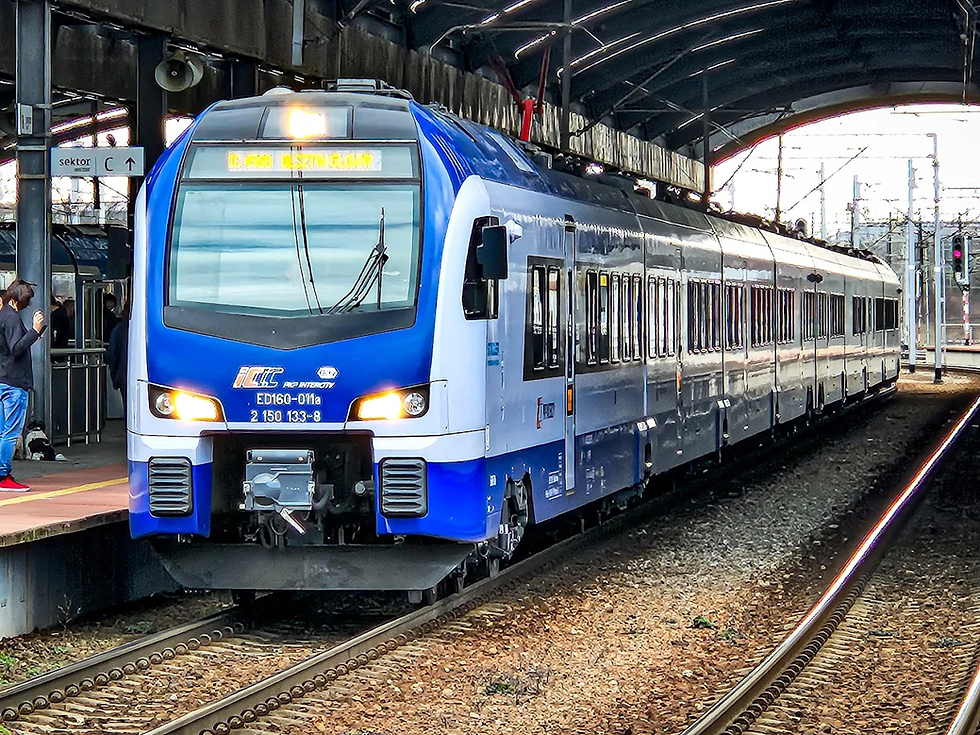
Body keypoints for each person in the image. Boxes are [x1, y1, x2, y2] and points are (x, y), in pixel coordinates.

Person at [0, 280, 46, 491]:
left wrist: (32, 334)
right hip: (14, 382)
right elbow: (16, 348)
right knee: (11, 432)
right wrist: (35, 331)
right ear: (21, 301)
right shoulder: (11, 318)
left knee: (2, 431)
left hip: (3, 379)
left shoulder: (3, 316)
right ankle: (3, 475)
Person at [107, 302, 129, 410]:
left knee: (128, 407)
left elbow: (112, 355)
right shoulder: (149, 328)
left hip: (123, 375)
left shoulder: (118, 329)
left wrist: (115, 377)